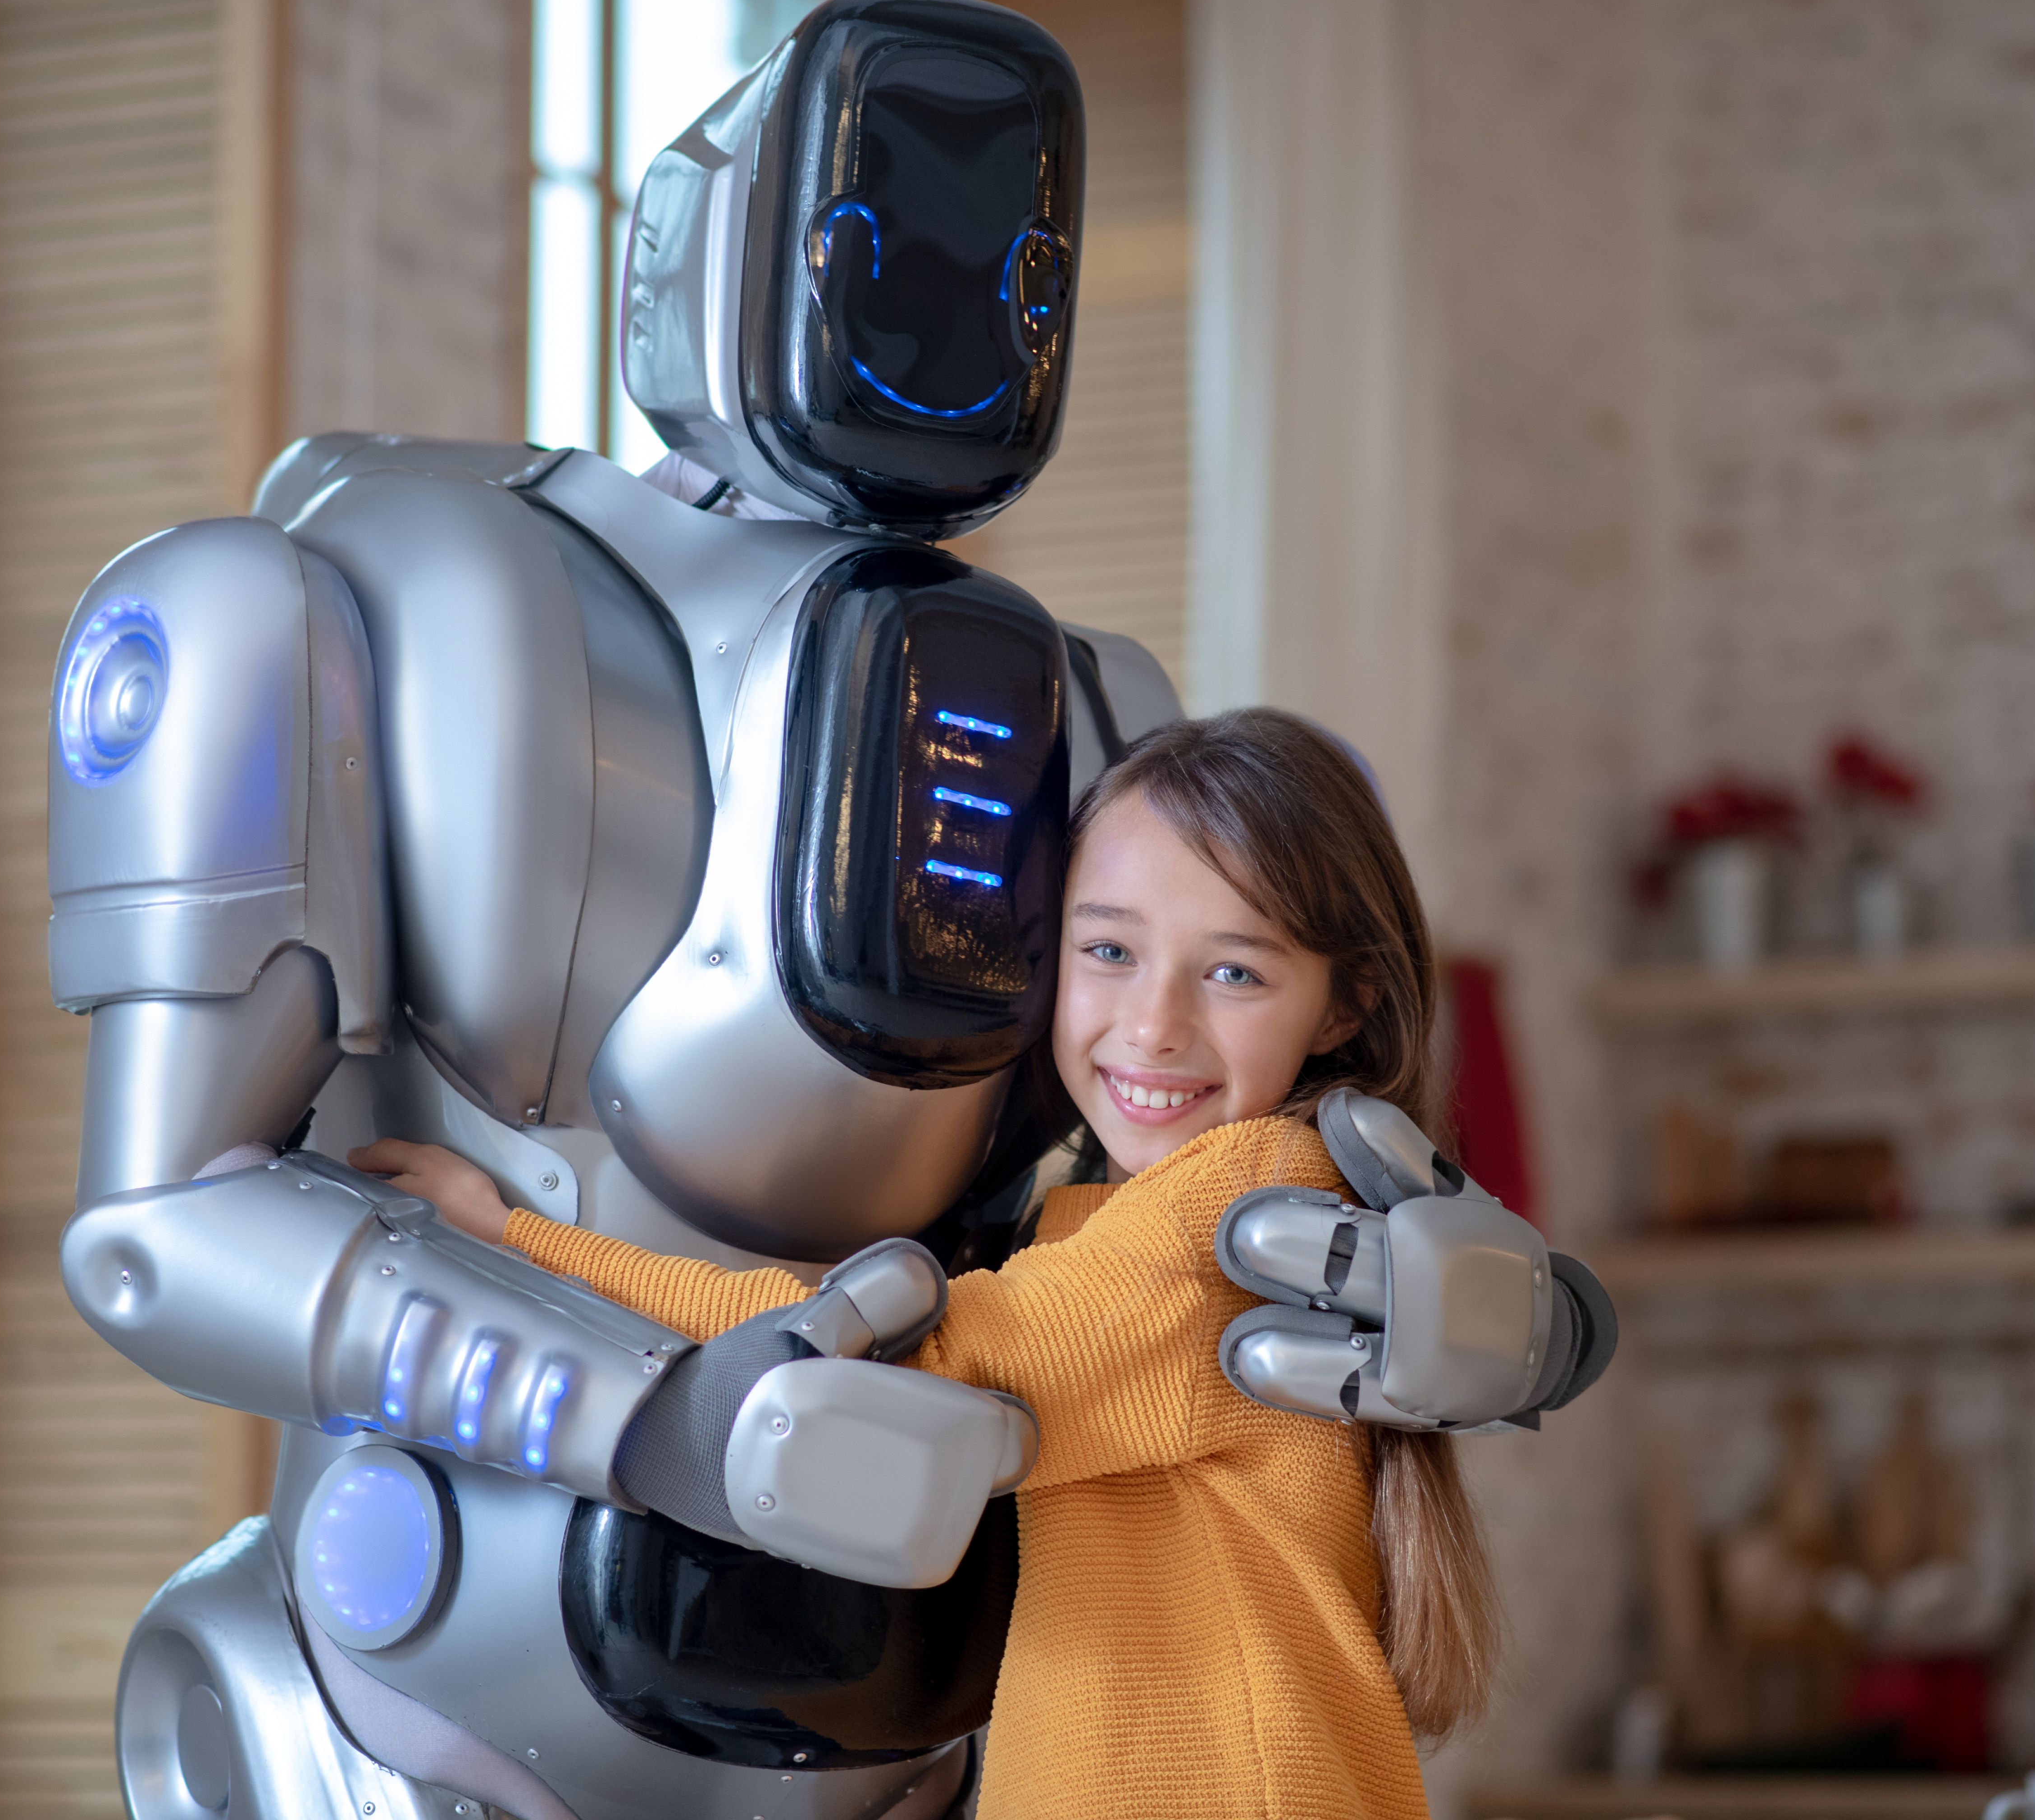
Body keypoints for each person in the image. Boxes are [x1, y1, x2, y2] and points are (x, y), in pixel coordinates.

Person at [355, 708, 1498, 1820]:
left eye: (1235, 974)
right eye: (1109, 951)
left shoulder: (1243, 1197)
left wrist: (521, 1239)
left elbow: (894, 1355)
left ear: (1348, 1000)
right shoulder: (1155, 1211)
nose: (1154, 1026)